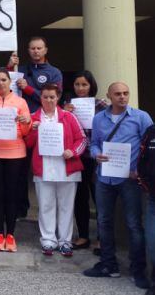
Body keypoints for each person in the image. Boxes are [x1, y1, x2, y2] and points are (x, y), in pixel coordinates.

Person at [83, 82, 152, 290]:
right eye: (118, 94)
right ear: (109, 96)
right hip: (104, 178)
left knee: (133, 224)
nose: (122, 97)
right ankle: (108, 264)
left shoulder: (141, 117)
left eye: (126, 93)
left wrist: (139, 171)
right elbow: (93, 143)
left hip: (130, 180)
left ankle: (138, 269)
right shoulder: (99, 118)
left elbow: (150, 148)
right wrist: (96, 155)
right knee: (103, 222)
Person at [24, 83, 85, 257]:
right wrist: (33, 131)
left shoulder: (68, 117)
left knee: (66, 207)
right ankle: (48, 240)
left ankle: (65, 241)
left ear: (57, 98)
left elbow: (82, 139)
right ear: (40, 98)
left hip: (67, 168)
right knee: (45, 206)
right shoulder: (34, 118)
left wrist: (72, 152)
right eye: (45, 97)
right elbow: (27, 143)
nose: (49, 100)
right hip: (43, 169)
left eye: (52, 97)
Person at [8, 36, 63, 218]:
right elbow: (5, 87)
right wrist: (10, 67)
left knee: (46, 168)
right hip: (24, 126)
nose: (36, 51)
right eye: (32, 48)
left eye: (39, 48)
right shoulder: (21, 70)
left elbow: (52, 98)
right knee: (20, 169)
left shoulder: (54, 72)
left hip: (46, 126)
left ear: (46, 50)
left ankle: (48, 211)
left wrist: (29, 89)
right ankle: (20, 207)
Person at [0, 68, 32, 252]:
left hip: (15, 153)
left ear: (10, 81)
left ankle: (11, 234)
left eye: (3, 80)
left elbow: (26, 132)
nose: (0, 83)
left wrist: (26, 121)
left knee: (11, 194)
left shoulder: (20, 101)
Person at [61, 70, 107, 250]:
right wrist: (65, 113)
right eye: (77, 85)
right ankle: (83, 236)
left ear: (91, 86)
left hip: (96, 156)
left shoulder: (101, 104)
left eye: (84, 84)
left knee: (99, 197)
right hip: (77, 156)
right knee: (80, 197)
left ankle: (102, 237)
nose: (80, 88)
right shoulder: (67, 104)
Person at [137, 124, 155, 294]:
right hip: (152, 198)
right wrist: (144, 183)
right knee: (152, 241)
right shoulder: (151, 131)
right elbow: (142, 158)